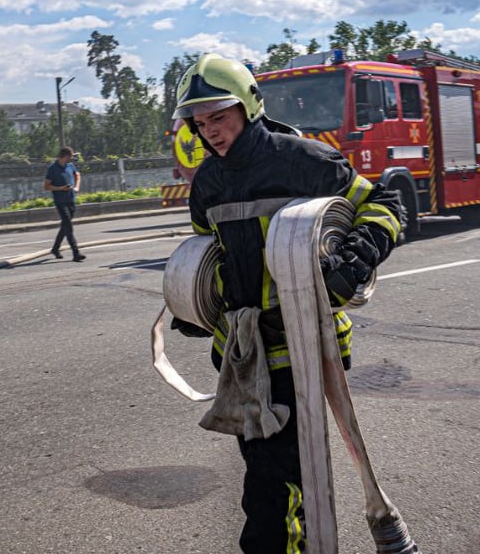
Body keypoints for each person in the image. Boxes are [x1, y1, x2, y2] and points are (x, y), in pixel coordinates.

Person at [172, 52, 403, 553]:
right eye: (200, 122)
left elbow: (386, 204)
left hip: (303, 347)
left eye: (219, 117)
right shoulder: (207, 184)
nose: (209, 131)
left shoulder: (302, 159)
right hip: (243, 355)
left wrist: (355, 260)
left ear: (248, 107)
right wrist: (197, 305)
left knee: (272, 492)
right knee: (273, 474)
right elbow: (210, 254)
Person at [43, 146, 85, 262]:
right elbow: (46, 186)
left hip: (70, 199)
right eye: (70, 156)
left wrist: (76, 187)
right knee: (68, 226)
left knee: (65, 226)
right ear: (65, 156)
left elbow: (77, 175)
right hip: (60, 201)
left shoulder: (70, 166)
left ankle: (55, 248)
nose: (71, 159)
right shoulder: (53, 168)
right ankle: (76, 252)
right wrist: (60, 188)